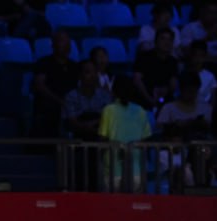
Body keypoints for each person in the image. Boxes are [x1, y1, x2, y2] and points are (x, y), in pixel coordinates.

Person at [99, 74, 152, 191]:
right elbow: (145, 139)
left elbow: (103, 138)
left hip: (112, 170)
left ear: (113, 91)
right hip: (136, 171)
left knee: (112, 202)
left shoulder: (108, 110)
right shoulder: (141, 111)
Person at [64, 59, 112, 190]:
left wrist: (93, 124)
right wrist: (90, 125)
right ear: (80, 75)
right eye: (87, 72)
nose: (92, 76)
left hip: (100, 141)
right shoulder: (71, 96)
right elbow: (72, 122)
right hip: (79, 142)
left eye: (95, 72)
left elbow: (109, 119)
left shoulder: (105, 96)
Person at [32, 30, 78, 137]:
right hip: (50, 103)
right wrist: (61, 101)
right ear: (53, 44)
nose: (66, 45)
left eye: (68, 42)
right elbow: (40, 86)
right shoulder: (43, 63)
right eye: (62, 41)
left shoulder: (75, 66)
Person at [134, 27, 180, 108]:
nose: (167, 42)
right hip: (144, 100)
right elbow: (137, 80)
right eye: (163, 39)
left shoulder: (173, 61)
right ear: (155, 42)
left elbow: (173, 84)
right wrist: (149, 99)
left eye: (170, 40)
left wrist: (166, 92)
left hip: (165, 101)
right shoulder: (143, 58)